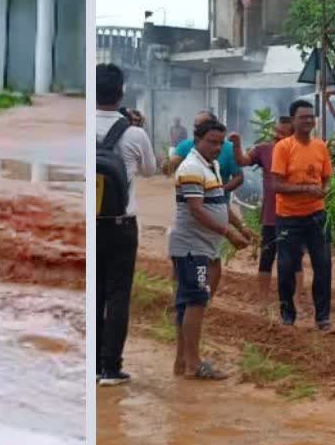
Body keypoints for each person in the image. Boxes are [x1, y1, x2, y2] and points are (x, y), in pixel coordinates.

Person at [169, 118, 250, 380]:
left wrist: (242, 226)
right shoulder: (191, 167)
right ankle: (193, 363)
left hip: (207, 248)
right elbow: (197, 209)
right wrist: (229, 233)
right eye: (211, 142)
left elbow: (220, 203)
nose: (216, 148)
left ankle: (182, 360)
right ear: (197, 141)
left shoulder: (211, 166)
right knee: (195, 302)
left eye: (220, 143)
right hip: (192, 249)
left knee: (193, 303)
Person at [96, 64, 159, 386]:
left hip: (90, 224)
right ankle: (111, 367)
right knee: (118, 295)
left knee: (94, 292)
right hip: (121, 225)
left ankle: (92, 365)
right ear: (121, 92)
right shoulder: (134, 134)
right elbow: (151, 171)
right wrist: (135, 127)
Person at [271, 101, 334, 329]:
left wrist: (325, 189)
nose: (308, 121)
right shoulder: (283, 147)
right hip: (288, 217)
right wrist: (306, 189)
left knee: (324, 265)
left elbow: (326, 177)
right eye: (303, 117)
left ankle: (323, 317)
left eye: (311, 117)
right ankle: (288, 315)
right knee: (287, 267)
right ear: (293, 120)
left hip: (317, 215)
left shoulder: (321, 147)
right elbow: (276, 185)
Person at [229, 117, 296, 296]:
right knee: (266, 258)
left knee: (292, 261)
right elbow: (242, 161)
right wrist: (237, 145)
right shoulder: (264, 150)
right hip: (271, 216)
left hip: (293, 216)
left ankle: (294, 300)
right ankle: (264, 300)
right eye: (276, 131)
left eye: (282, 133)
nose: (276, 136)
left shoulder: (298, 153)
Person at [165, 111, 243, 193]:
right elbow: (168, 169)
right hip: (191, 202)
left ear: (214, 126)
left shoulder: (229, 148)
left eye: (201, 126)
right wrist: (169, 165)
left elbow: (239, 177)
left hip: (219, 203)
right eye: (195, 126)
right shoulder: (185, 146)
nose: (196, 129)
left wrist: (218, 193)